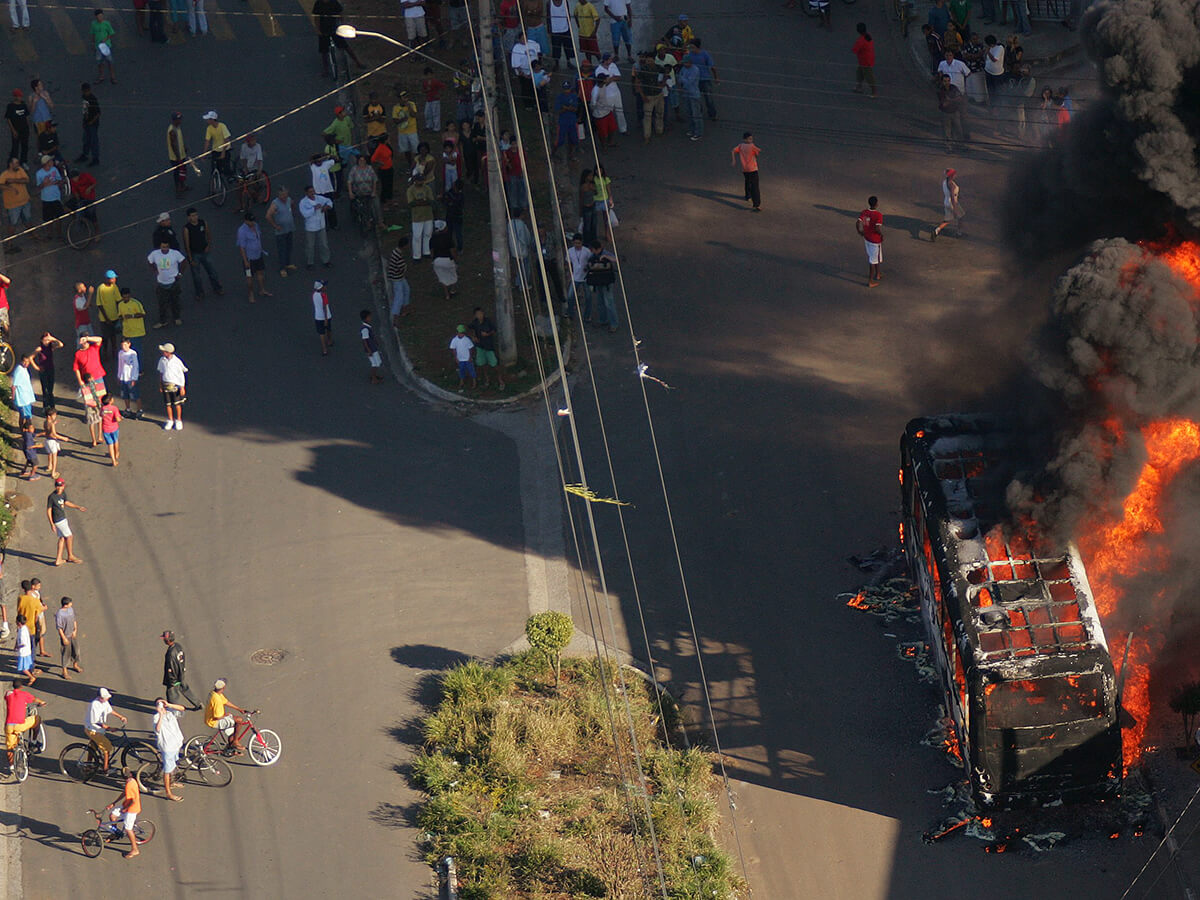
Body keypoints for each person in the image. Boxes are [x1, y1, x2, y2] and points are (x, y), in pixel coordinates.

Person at [72, 334, 106, 445]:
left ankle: (100, 435)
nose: (84, 342)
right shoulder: (78, 353)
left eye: (85, 340)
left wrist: (88, 338)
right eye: (82, 340)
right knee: (90, 404)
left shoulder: (93, 348)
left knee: (100, 405)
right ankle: (94, 438)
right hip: (86, 381)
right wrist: (80, 381)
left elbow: (100, 339)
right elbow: (76, 369)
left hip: (98, 379)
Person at [84, 686, 127, 772]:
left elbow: (110, 710)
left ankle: (88, 766)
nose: (107, 699)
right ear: (100, 697)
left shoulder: (105, 702)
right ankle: (105, 769)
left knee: (93, 747)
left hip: (99, 730)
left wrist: (120, 717)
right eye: (106, 697)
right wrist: (109, 728)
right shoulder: (94, 705)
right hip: (93, 730)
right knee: (107, 747)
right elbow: (95, 722)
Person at [152, 697, 187, 801]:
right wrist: (161, 715)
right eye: (158, 704)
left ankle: (172, 783)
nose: (161, 705)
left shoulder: (171, 712)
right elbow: (157, 729)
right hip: (167, 747)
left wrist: (169, 705)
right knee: (167, 770)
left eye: (162, 703)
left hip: (176, 744)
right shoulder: (156, 717)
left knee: (173, 765)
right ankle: (168, 793)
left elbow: (182, 709)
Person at [148, 240, 187, 328]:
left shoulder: (175, 254)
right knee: (162, 304)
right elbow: (150, 262)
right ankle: (163, 321)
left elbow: (184, 261)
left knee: (175, 301)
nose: (165, 249)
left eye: (166, 247)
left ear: (169, 247)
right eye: (163, 247)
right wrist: (155, 270)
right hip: (161, 283)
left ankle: (176, 317)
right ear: (160, 247)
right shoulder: (155, 254)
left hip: (173, 282)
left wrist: (180, 273)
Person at [5, 677, 44, 765]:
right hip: (19, 725)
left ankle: (12, 767)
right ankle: (33, 742)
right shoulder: (24, 694)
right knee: (37, 719)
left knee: (10, 748)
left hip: (9, 726)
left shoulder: (8, 694)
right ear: (21, 687)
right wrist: (41, 702)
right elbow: (34, 699)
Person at [204, 679, 250, 753]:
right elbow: (217, 717)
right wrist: (225, 715)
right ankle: (235, 741)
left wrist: (239, 709)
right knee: (239, 720)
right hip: (214, 721)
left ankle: (231, 749)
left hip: (210, 719)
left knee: (233, 729)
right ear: (223, 688)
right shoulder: (216, 699)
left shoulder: (214, 693)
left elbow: (226, 702)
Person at [104, 768, 142, 858]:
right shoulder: (132, 781)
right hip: (127, 806)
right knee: (113, 816)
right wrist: (114, 803)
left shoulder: (129, 785)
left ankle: (135, 849)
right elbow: (125, 793)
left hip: (132, 809)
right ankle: (116, 834)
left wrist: (125, 809)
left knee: (128, 829)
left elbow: (133, 801)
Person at [47, 476, 86, 565]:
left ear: (64, 486)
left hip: (63, 518)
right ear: (55, 486)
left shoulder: (63, 493)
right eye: (57, 486)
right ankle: (70, 556)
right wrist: (51, 524)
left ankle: (58, 560)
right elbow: (48, 510)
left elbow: (66, 502)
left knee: (62, 538)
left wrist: (77, 507)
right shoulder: (52, 497)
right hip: (58, 520)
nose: (59, 488)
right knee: (69, 536)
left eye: (61, 486)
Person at [235, 212, 271, 302]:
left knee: (260, 273)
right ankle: (251, 294)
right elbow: (242, 247)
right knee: (249, 277)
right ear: (246, 221)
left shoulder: (256, 225)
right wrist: (245, 261)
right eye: (250, 221)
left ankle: (262, 290)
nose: (252, 223)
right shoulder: (242, 231)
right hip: (249, 258)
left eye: (253, 220)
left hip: (258, 255)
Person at [466, 307, 505, 389]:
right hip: (480, 346)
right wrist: (473, 337)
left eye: (481, 313)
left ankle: (500, 380)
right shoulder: (475, 322)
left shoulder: (488, 321)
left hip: (489, 346)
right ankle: (487, 379)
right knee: (482, 364)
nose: (480, 315)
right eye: (478, 314)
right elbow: (468, 328)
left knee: (494, 364)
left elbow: (494, 330)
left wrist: (488, 334)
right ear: (475, 315)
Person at [161, 631, 201, 709]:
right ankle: (198, 703)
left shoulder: (171, 653)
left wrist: (172, 682)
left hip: (174, 679)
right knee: (185, 689)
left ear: (167, 640)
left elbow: (172, 668)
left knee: (172, 696)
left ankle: (174, 710)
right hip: (181, 674)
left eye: (164, 639)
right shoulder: (178, 646)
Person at [585, 238, 618, 331]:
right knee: (600, 302)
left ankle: (614, 324)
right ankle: (603, 320)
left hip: (607, 282)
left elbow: (615, 259)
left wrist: (606, 257)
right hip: (598, 281)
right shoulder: (593, 255)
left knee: (609, 303)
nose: (592, 251)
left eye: (593, 249)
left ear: (597, 249)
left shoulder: (606, 253)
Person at [0, 157, 31, 251]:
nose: (18, 164)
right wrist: (10, 188)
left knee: (27, 219)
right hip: (13, 205)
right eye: (16, 163)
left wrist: (13, 181)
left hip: (25, 201)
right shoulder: (4, 175)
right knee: (13, 223)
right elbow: (1, 185)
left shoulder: (20, 170)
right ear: (11, 164)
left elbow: (26, 180)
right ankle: (9, 243)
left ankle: (32, 234)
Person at [298, 185, 333, 269]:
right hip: (310, 228)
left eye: (313, 191)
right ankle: (310, 262)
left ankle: (326, 260)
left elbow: (329, 201)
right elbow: (305, 214)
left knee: (324, 244)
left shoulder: (319, 198)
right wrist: (314, 209)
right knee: (310, 246)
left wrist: (326, 207)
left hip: (321, 226)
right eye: (310, 192)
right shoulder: (303, 202)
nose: (312, 193)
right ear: (306, 193)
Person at [266, 186, 296, 276]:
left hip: (289, 228)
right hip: (281, 231)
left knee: (289, 247)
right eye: (282, 195)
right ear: (278, 195)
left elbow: (292, 205)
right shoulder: (275, 203)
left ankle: (287, 263)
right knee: (282, 250)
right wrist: (275, 226)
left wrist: (292, 213)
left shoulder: (289, 200)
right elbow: (268, 216)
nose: (284, 197)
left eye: (285, 194)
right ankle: (282, 268)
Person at [157, 343, 188, 431]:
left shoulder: (176, 361)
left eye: (164, 351)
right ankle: (170, 420)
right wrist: (160, 384)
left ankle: (178, 420)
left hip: (175, 385)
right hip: (166, 385)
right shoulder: (162, 360)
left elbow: (181, 374)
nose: (162, 352)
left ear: (168, 352)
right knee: (168, 404)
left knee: (177, 404)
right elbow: (161, 372)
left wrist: (182, 387)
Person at [31, 332, 62, 413]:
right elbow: (31, 358)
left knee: (50, 390)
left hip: (51, 369)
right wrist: (37, 367)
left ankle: (52, 407)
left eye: (48, 340)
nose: (47, 342)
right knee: (45, 390)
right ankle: (45, 407)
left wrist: (53, 338)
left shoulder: (51, 347)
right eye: (45, 340)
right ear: (41, 340)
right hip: (43, 371)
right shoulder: (39, 348)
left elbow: (61, 345)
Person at [731, 132, 762, 212]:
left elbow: (733, 150)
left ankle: (748, 195)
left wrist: (734, 160)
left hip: (745, 169)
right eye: (750, 139)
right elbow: (757, 152)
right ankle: (756, 204)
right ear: (745, 139)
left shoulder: (740, 146)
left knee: (747, 181)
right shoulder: (752, 146)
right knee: (755, 186)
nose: (751, 140)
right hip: (753, 168)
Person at [34, 155, 64, 239]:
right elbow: (38, 187)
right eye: (50, 161)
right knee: (48, 219)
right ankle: (49, 234)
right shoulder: (39, 173)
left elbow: (60, 180)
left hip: (56, 197)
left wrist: (57, 182)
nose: (52, 162)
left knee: (59, 217)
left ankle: (59, 234)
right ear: (46, 163)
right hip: (46, 199)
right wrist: (44, 183)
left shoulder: (54, 169)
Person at [857, 195, 883, 287]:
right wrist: (881, 235)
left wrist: (860, 231)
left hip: (867, 238)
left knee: (874, 256)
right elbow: (877, 228)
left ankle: (878, 273)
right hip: (875, 240)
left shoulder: (865, 212)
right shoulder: (878, 215)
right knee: (873, 259)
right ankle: (870, 281)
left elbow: (861, 223)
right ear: (876, 204)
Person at [116, 288, 146, 367]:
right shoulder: (120, 305)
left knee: (137, 352)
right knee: (128, 351)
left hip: (137, 332)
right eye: (124, 297)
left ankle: (140, 368)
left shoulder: (136, 303)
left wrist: (132, 316)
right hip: (127, 332)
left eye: (128, 297)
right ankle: (131, 367)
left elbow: (142, 314)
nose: (126, 299)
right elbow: (120, 315)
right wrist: (120, 319)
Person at [937, 72, 967, 151]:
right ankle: (949, 146)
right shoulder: (940, 90)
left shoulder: (953, 87)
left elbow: (960, 98)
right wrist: (954, 100)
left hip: (955, 112)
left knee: (958, 129)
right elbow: (944, 104)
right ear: (942, 82)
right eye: (945, 81)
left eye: (948, 81)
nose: (947, 83)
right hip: (945, 113)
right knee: (947, 130)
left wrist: (950, 100)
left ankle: (960, 145)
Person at [407, 174, 434, 261]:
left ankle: (426, 252)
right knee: (417, 236)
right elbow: (411, 203)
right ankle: (416, 256)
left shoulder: (427, 188)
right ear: (415, 181)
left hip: (428, 215)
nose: (421, 182)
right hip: (417, 217)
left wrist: (419, 201)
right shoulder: (411, 190)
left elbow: (431, 201)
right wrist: (424, 200)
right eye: (419, 180)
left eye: (422, 180)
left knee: (428, 234)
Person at [392, 89, 419, 170]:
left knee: (416, 149)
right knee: (406, 150)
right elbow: (395, 120)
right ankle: (410, 164)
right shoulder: (396, 108)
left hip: (412, 131)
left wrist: (409, 107)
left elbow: (414, 115)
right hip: (402, 132)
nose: (406, 99)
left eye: (406, 97)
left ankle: (417, 164)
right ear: (399, 99)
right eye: (403, 97)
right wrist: (402, 119)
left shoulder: (412, 104)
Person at [429, 220, 457, 299]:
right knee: (453, 275)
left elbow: (431, 252)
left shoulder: (432, 239)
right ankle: (453, 289)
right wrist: (455, 259)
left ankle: (446, 294)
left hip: (437, 260)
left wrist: (433, 261)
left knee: (442, 277)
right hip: (448, 260)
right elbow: (452, 251)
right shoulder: (448, 238)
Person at [677, 57, 702, 141]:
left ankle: (698, 133)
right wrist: (682, 79)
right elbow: (679, 78)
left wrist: (682, 79)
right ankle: (691, 130)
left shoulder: (695, 70)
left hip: (694, 95)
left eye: (686, 63)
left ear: (690, 62)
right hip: (686, 94)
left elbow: (689, 82)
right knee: (689, 113)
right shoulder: (684, 69)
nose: (684, 64)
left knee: (696, 115)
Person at [202, 110, 232, 181]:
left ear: (212, 120)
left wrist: (223, 153)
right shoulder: (209, 128)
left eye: (208, 119)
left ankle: (230, 177)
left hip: (225, 149)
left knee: (226, 168)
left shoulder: (222, 126)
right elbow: (207, 141)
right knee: (214, 168)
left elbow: (226, 139)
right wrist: (204, 154)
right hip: (215, 150)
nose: (207, 121)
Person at [117, 337, 142, 419]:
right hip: (123, 377)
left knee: (135, 395)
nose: (123, 347)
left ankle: (139, 410)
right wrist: (119, 376)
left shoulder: (133, 354)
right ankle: (128, 409)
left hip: (130, 378)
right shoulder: (120, 353)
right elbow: (120, 365)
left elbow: (136, 366)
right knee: (125, 395)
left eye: (125, 345)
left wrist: (134, 378)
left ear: (129, 344)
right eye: (122, 345)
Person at [56, 596, 81, 679]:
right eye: (70, 603)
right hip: (66, 636)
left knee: (76, 651)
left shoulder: (71, 609)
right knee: (66, 654)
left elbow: (74, 620)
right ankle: (64, 671)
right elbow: (59, 627)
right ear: (65, 605)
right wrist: (64, 638)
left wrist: (75, 630)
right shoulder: (60, 614)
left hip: (72, 634)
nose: (71, 604)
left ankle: (75, 664)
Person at [77, 83, 100, 167]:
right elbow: (85, 110)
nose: (86, 92)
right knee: (86, 140)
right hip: (86, 122)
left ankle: (95, 158)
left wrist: (91, 122)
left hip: (92, 124)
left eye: (87, 91)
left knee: (93, 141)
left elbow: (98, 113)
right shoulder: (84, 98)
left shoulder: (92, 99)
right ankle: (85, 154)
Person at [42, 409, 70, 478]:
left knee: (49, 453)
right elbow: (54, 434)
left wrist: (53, 424)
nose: (55, 416)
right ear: (49, 416)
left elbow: (48, 430)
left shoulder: (45, 422)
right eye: (54, 415)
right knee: (54, 457)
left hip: (47, 440)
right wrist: (63, 438)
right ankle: (53, 472)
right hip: (52, 441)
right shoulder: (51, 424)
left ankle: (49, 466)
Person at [5, 90, 30, 167]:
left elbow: (26, 116)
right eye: (18, 96)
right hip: (16, 129)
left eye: (20, 96)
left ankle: (23, 162)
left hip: (24, 129)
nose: (20, 98)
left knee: (25, 146)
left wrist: (28, 127)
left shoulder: (23, 105)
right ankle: (13, 163)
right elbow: (8, 119)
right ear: (15, 97)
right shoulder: (10, 106)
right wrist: (13, 130)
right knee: (15, 148)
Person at [387, 242, 410, 324]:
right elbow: (402, 268)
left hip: (398, 277)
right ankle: (395, 318)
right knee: (399, 298)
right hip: (397, 278)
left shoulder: (395, 252)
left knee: (406, 290)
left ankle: (405, 310)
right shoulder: (398, 256)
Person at [91, 9, 116, 85]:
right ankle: (101, 76)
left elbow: (111, 33)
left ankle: (113, 77)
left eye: (101, 16)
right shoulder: (93, 24)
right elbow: (93, 34)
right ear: (96, 17)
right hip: (98, 46)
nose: (100, 18)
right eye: (99, 16)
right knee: (100, 62)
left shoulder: (106, 24)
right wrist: (93, 44)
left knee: (110, 61)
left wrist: (105, 39)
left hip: (106, 46)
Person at [852, 23, 877, 98]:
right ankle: (858, 87)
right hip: (869, 58)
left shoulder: (860, 40)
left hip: (864, 61)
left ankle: (874, 92)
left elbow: (854, 50)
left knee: (869, 77)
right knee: (859, 73)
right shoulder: (868, 36)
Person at [360, 309, 384, 384]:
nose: (370, 318)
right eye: (369, 317)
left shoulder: (367, 327)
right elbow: (364, 340)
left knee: (376, 363)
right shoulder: (365, 329)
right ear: (365, 318)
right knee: (376, 364)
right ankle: (373, 378)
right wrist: (369, 350)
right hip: (371, 349)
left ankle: (374, 375)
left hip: (372, 348)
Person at [449, 324, 475, 390]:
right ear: (457, 332)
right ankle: (461, 382)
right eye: (460, 333)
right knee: (461, 370)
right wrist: (456, 358)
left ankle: (474, 382)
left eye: (462, 333)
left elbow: (470, 349)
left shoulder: (467, 339)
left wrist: (470, 357)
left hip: (467, 358)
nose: (461, 334)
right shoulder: (454, 340)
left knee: (471, 370)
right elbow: (454, 349)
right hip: (460, 359)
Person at [371, 134, 394, 204]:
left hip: (390, 167)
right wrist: (379, 162)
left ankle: (389, 198)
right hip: (384, 169)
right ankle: (383, 200)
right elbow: (373, 159)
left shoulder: (387, 146)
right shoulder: (380, 148)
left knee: (390, 184)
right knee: (385, 185)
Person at [312, 280, 333, 356]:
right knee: (328, 329)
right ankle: (329, 341)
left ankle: (324, 349)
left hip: (318, 317)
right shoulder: (323, 295)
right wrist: (326, 318)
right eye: (324, 286)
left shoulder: (314, 294)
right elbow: (324, 307)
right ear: (321, 287)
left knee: (321, 333)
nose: (325, 287)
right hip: (326, 316)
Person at [99, 393, 121, 466]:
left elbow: (100, 415)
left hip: (106, 429)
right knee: (116, 441)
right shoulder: (114, 408)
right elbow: (118, 419)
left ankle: (113, 461)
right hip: (114, 428)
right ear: (110, 401)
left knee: (110, 444)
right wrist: (121, 418)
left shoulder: (102, 408)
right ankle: (116, 453)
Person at [12, 353, 34, 421]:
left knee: (22, 416)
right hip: (23, 400)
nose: (26, 363)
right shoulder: (19, 370)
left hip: (27, 398)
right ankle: (26, 428)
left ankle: (22, 427)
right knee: (28, 418)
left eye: (28, 361)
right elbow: (14, 386)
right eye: (24, 361)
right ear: (21, 361)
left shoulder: (24, 369)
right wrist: (13, 398)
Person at [17, 416, 40, 481]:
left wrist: (42, 433)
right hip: (30, 452)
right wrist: (37, 446)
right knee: (35, 464)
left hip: (26, 451)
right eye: (31, 428)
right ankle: (32, 475)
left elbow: (34, 435)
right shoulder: (28, 437)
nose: (33, 429)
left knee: (28, 460)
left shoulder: (27, 433)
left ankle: (24, 471)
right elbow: (29, 446)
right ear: (27, 429)